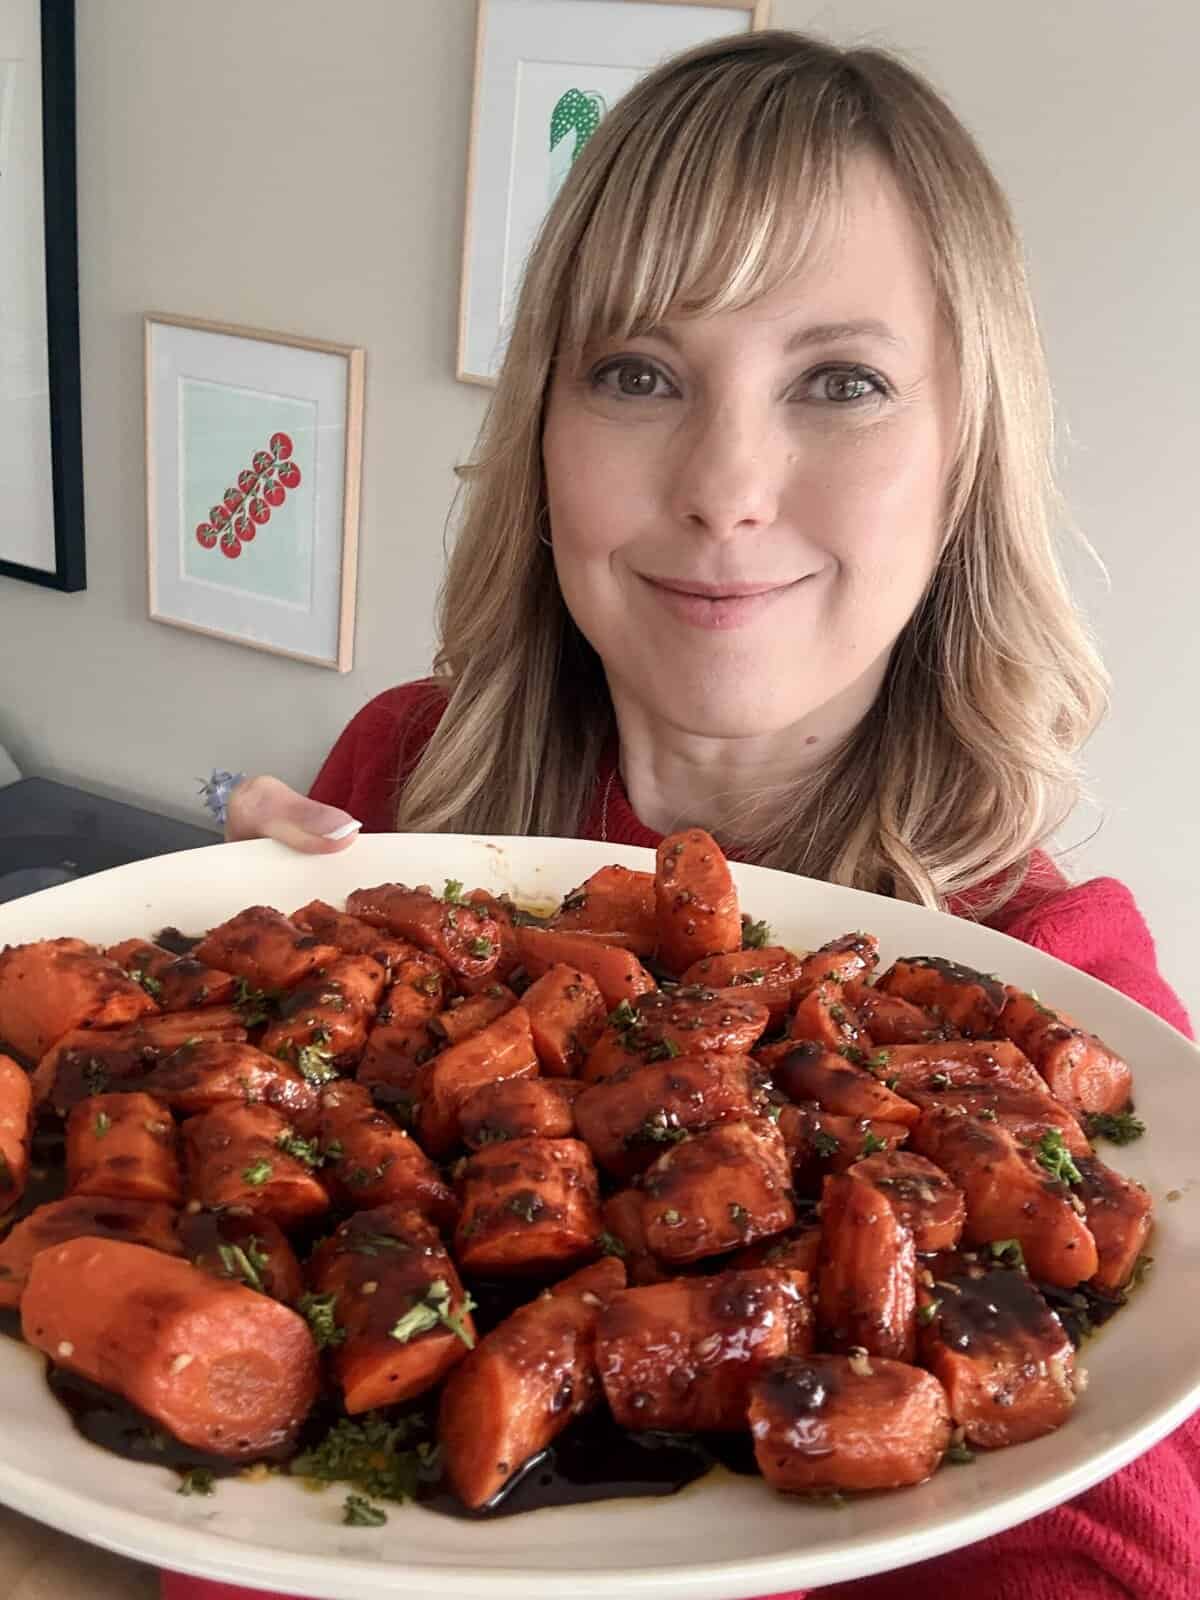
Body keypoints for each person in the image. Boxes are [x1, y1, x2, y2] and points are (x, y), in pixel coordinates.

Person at [169, 29, 1195, 1600]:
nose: (725, 486)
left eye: (840, 382)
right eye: (638, 373)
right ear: (546, 433)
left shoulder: (1057, 995)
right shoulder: (401, 778)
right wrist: (197, 986)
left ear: (963, 459)